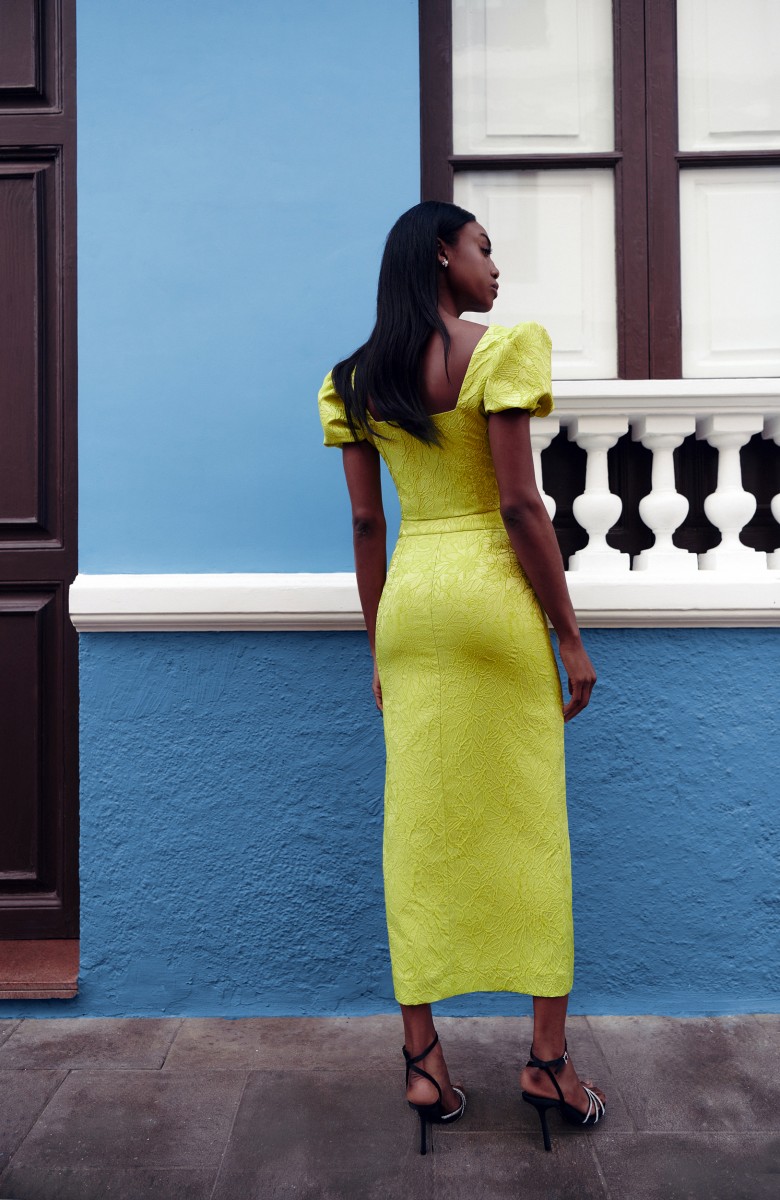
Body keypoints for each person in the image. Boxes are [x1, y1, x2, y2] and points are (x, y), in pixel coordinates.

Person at [317, 201, 605, 1154]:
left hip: (411, 605)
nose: (496, 269)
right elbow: (521, 504)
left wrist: (377, 647)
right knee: (530, 821)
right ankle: (548, 1060)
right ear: (444, 253)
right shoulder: (503, 348)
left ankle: (423, 1061)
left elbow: (367, 528)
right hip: (491, 597)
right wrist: (568, 635)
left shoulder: (354, 379)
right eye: (485, 249)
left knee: (418, 825)